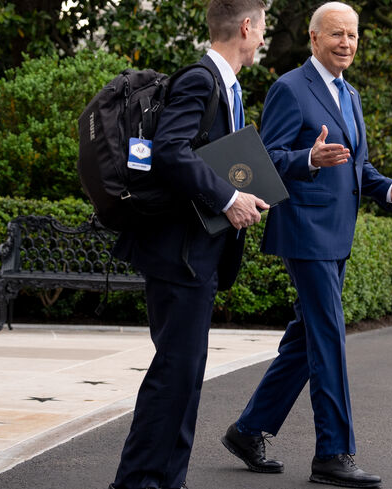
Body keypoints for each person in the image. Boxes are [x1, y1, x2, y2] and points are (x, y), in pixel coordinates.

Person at [219, 2, 392, 488]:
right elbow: (265, 160)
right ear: (313, 38)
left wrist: (388, 187)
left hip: (338, 235)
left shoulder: (350, 95)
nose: (346, 43)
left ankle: (247, 431)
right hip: (305, 232)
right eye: (336, 35)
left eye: (352, 35)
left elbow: (357, 167)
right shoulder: (291, 88)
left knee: (306, 338)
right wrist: (308, 158)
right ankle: (333, 453)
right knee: (329, 337)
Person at [108, 1, 269, 488]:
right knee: (174, 377)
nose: (262, 39)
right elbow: (170, 153)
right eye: (262, 29)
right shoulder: (201, 78)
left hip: (192, 258)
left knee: (182, 379)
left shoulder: (223, 85)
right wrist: (228, 197)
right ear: (246, 27)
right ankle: (139, 483)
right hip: (178, 257)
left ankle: (162, 481)